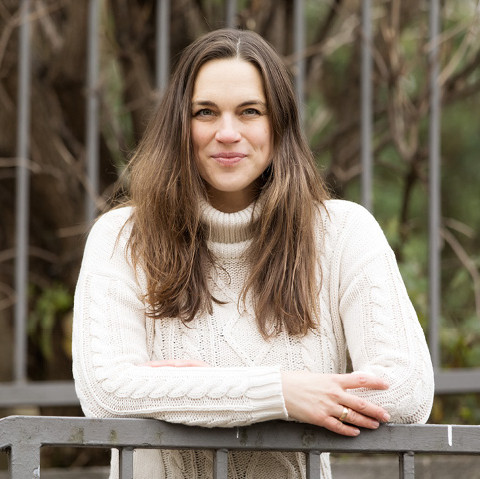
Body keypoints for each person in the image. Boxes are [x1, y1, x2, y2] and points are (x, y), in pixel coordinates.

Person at [72, 28, 434, 479]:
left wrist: (180, 389)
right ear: (179, 127)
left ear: (278, 122)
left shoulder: (343, 233)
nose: (227, 133)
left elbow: (406, 392)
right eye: (205, 112)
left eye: (250, 111)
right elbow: (106, 392)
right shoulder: (121, 237)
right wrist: (282, 391)